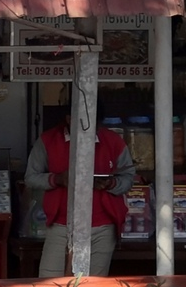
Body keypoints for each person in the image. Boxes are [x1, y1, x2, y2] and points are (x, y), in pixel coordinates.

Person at [25, 109, 136, 277]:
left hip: (103, 226)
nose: (88, 128)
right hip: (60, 224)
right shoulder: (48, 140)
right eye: (83, 122)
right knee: (48, 285)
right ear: (69, 118)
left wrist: (110, 183)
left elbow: (128, 178)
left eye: (94, 123)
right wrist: (58, 179)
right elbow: (31, 177)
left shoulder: (113, 141)